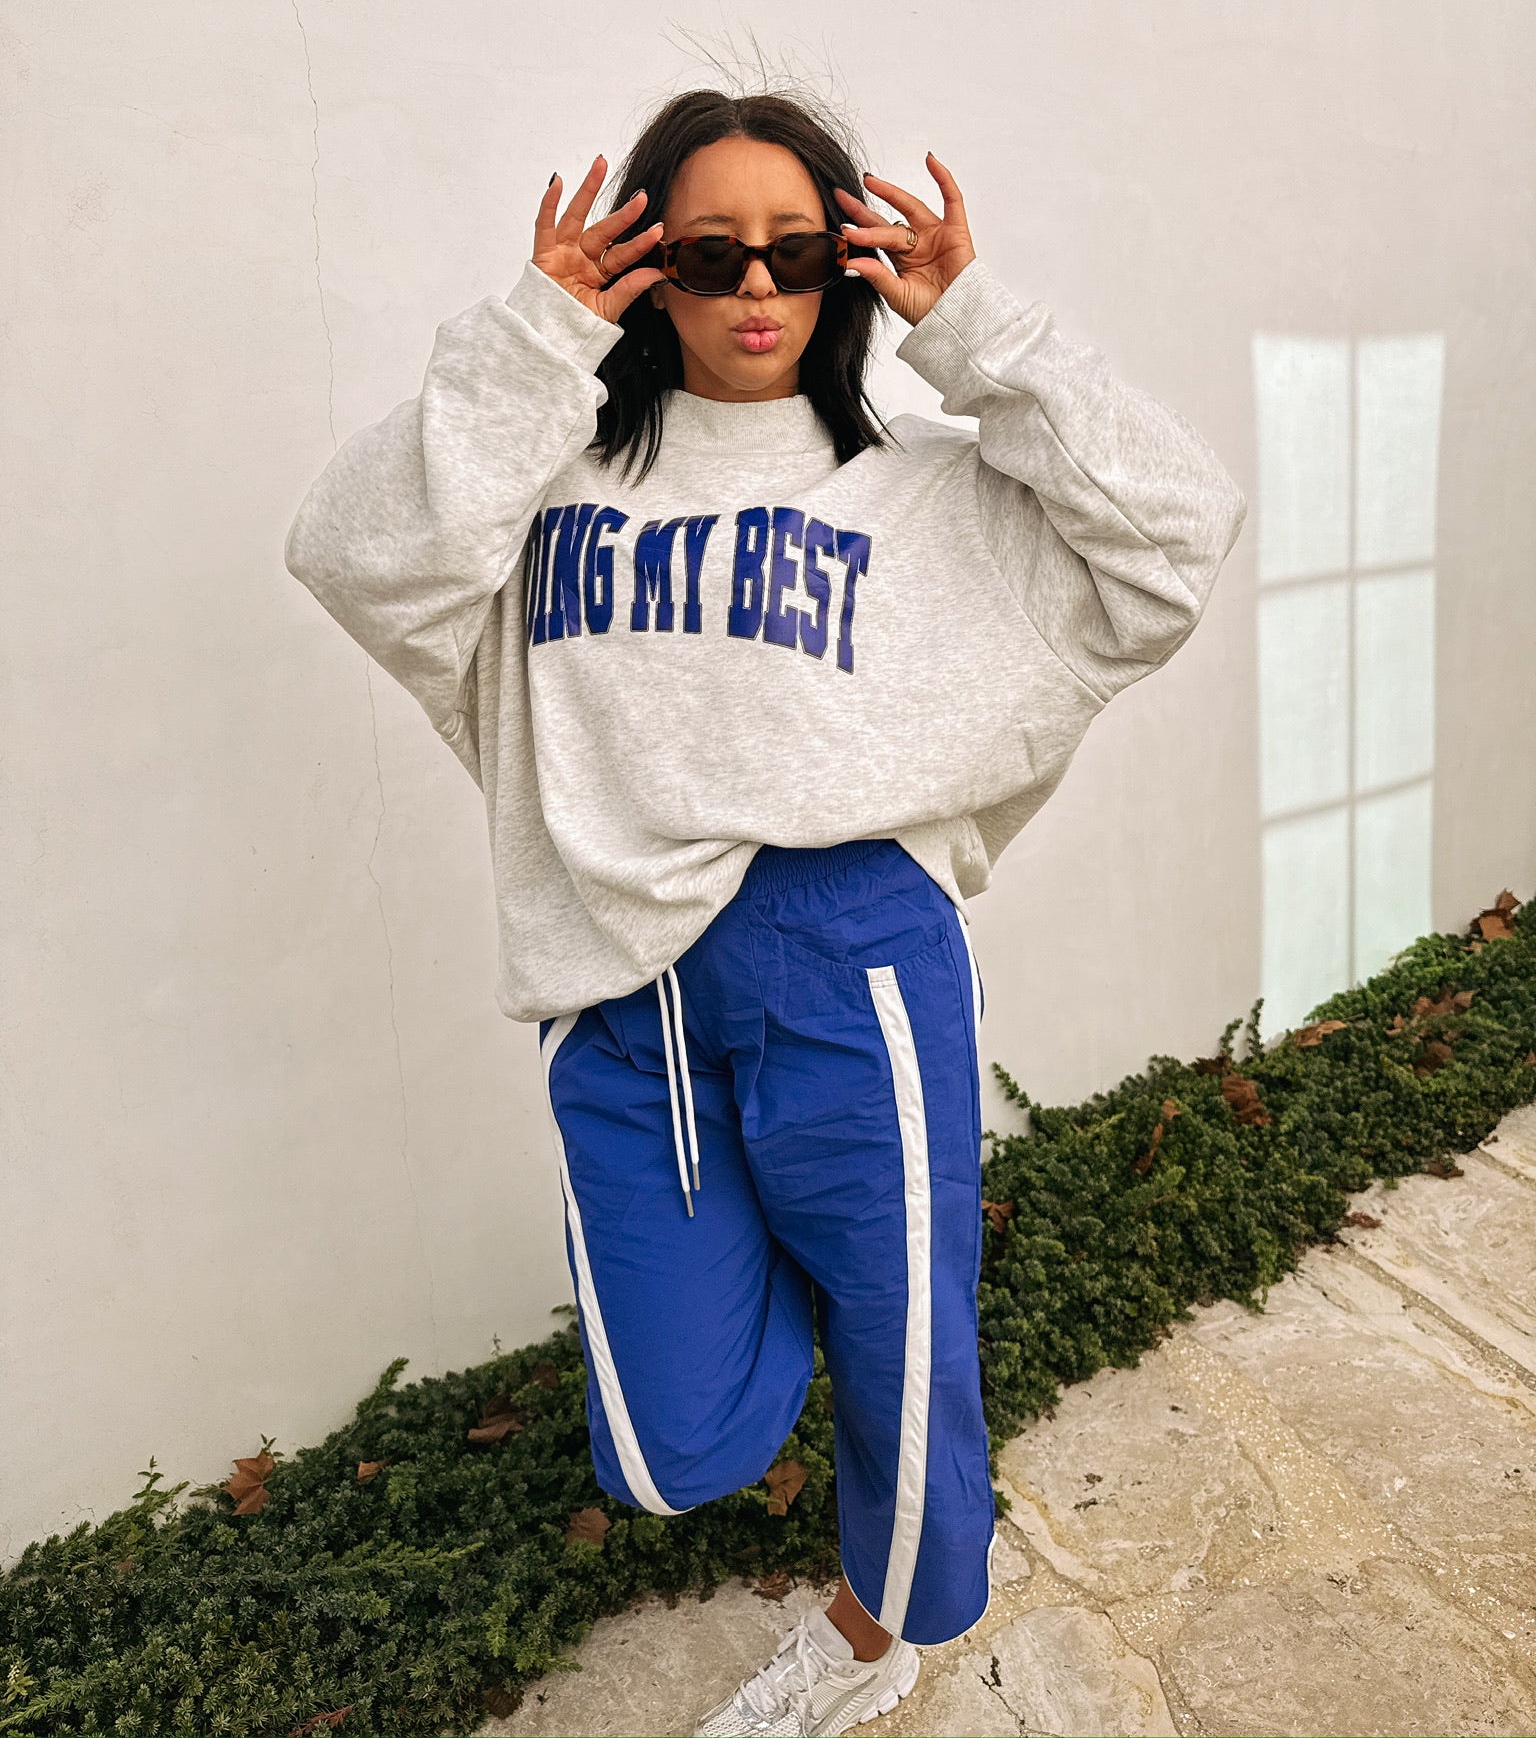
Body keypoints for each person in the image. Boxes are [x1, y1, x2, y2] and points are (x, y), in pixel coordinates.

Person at [284, 85, 1246, 1737]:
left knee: (905, 1355)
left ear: (843, 273)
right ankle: (813, 1268)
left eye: (795, 254)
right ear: (644, 269)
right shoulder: (546, 486)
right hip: (622, 982)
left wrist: (981, 329)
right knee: (679, 1437)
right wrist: (532, 342)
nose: (753, 288)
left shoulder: (920, 491)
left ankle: (879, 1631)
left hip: (847, 949)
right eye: (708, 251)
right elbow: (351, 550)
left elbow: (1177, 532)